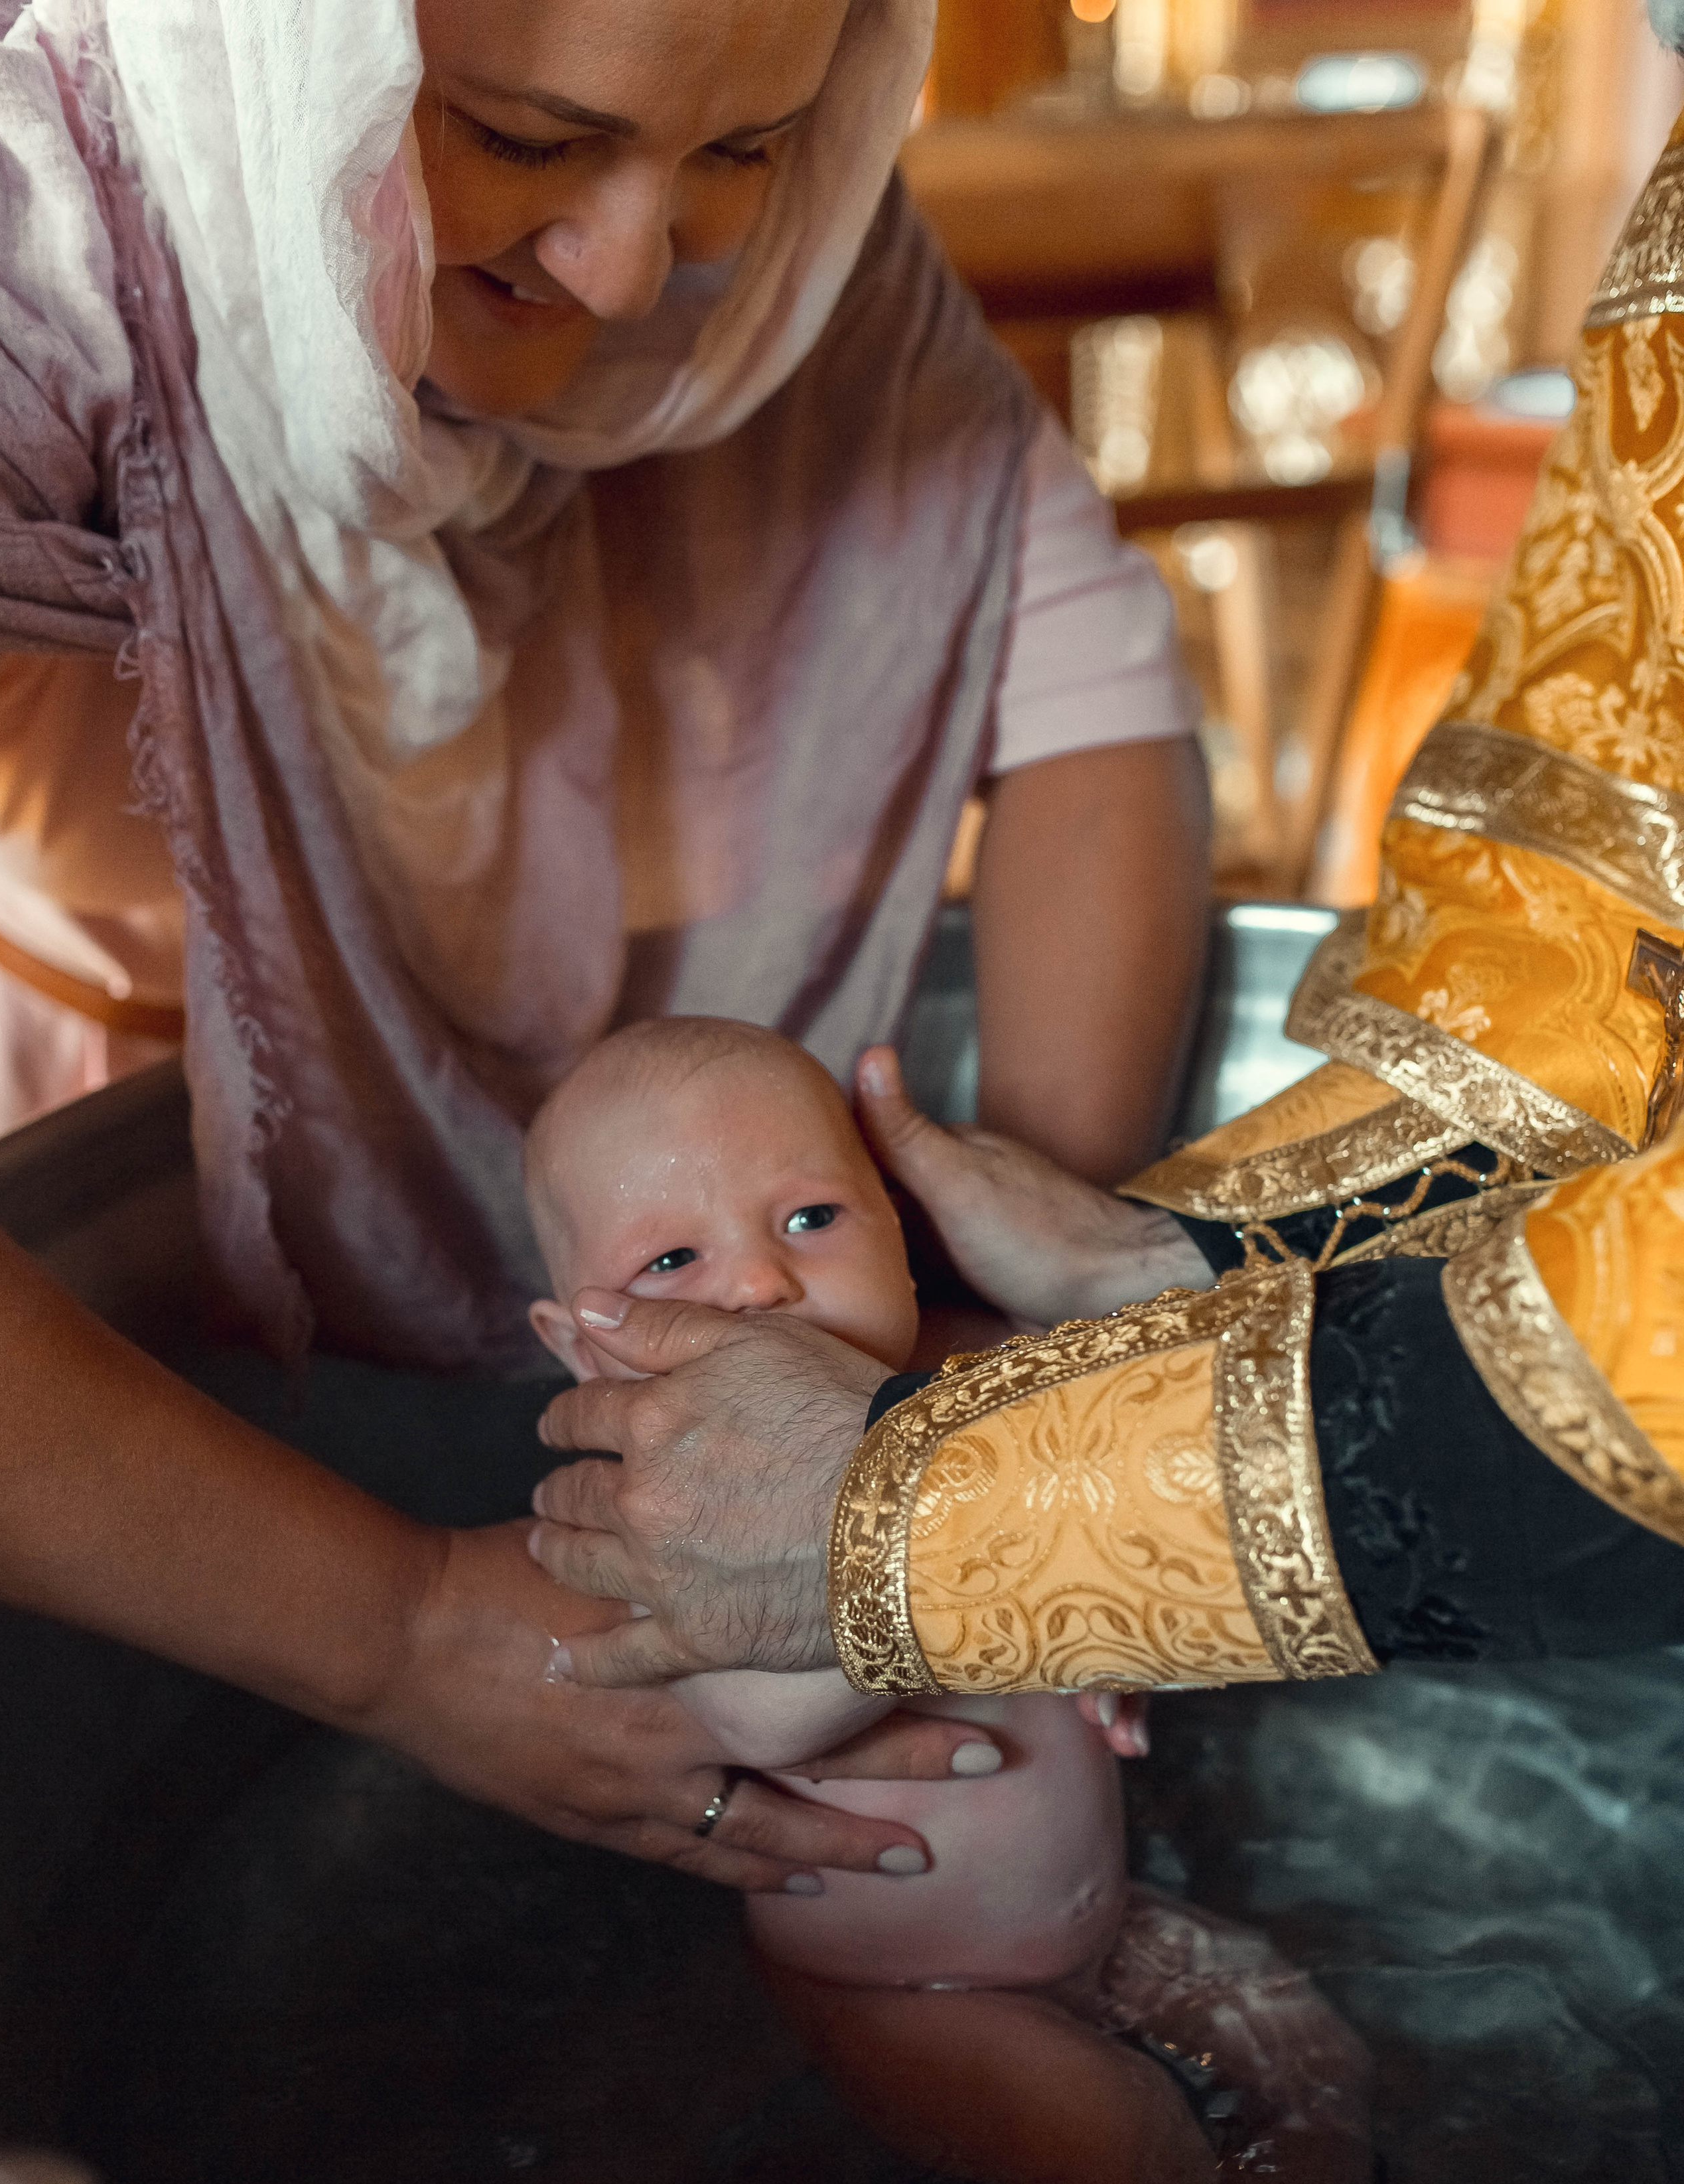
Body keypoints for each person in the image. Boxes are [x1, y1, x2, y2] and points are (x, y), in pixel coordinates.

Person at [0, 0, 1208, 1865]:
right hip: (121, 1207)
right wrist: (398, 1633)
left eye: (738, 150)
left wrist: (979, 1356)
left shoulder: (796, 266)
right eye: (522, 135)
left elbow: (1089, 701)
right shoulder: (34, 239)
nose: (639, 268)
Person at [526, 65, 1684, 1719]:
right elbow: (1594, 909)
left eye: (805, 1216)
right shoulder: (702, 1499)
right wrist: (1176, 1262)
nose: (767, 1285)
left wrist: (966, 1530)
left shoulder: (882, 1439)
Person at [522, 1015, 1511, 2184]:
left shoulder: (971, 1377)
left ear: (897, 1223)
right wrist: (975, 1563)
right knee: (1114, 2138)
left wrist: (1090, 1591)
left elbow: (1125, 1491)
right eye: (670, 1262)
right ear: (576, 1341)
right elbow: (757, 1720)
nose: (756, 1278)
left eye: (810, 1216)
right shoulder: (653, 1509)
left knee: (1302, 2052)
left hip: (1096, 1931)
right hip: (908, 1997)